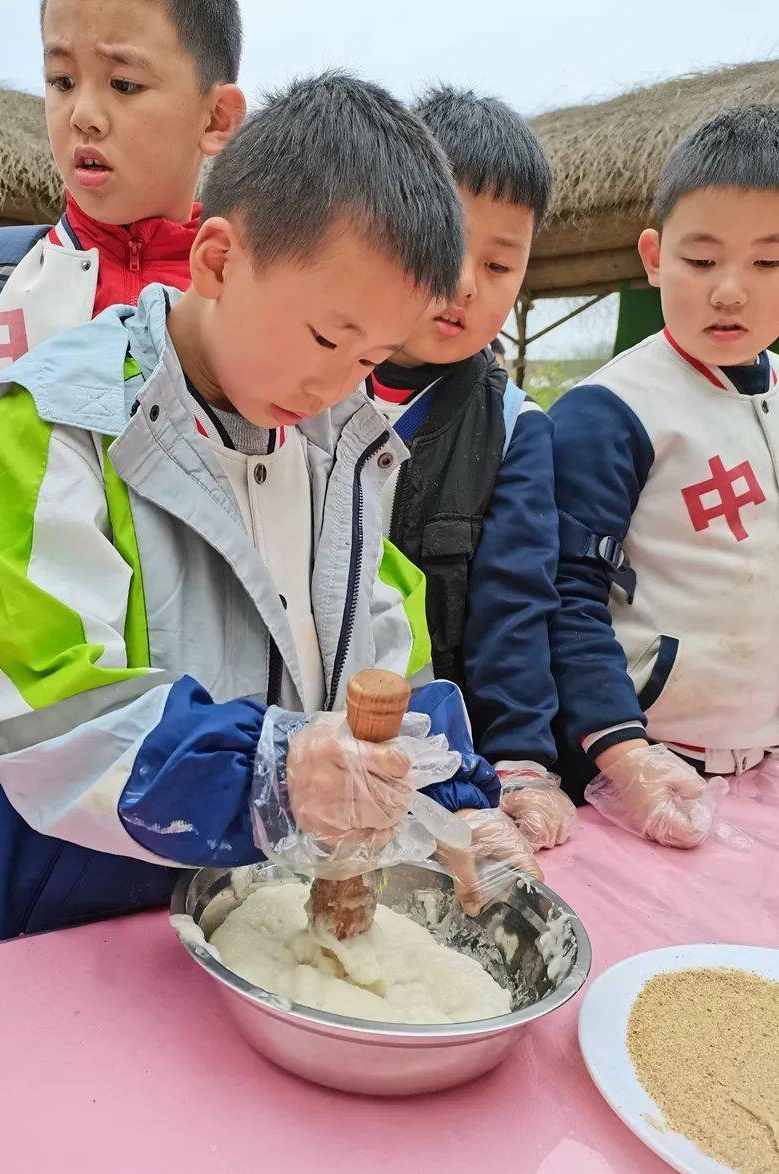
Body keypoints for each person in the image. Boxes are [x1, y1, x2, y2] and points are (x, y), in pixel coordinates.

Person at [0, 71, 504, 952]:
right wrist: (270, 771)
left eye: (373, 357)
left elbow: (386, 661)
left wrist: (457, 798)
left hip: (255, 919)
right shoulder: (57, 425)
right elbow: (41, 711)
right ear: (217, 259)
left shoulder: (339, 445)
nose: (335, 383)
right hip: (73, 926)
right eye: (325, 336)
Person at [0, 0, 246, 958]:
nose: (84, 113)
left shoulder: (246, 319)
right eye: (60, 79)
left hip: (174, 759)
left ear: (217, 116)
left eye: (124, 83)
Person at [550, 105, 779, 846]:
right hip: (647, 769)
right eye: (702, 260)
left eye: (768, 262)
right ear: (654, 256)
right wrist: (625, 753)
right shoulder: (609, 411)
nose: (731, 291)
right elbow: (566, 596)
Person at [366, 88, 576, 855]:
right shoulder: (305, 383)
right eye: (447, 246)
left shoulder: (518, 429)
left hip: (443, 768)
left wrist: (520, 761)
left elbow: (516, 606)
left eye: (498, 264)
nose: (465, 285)